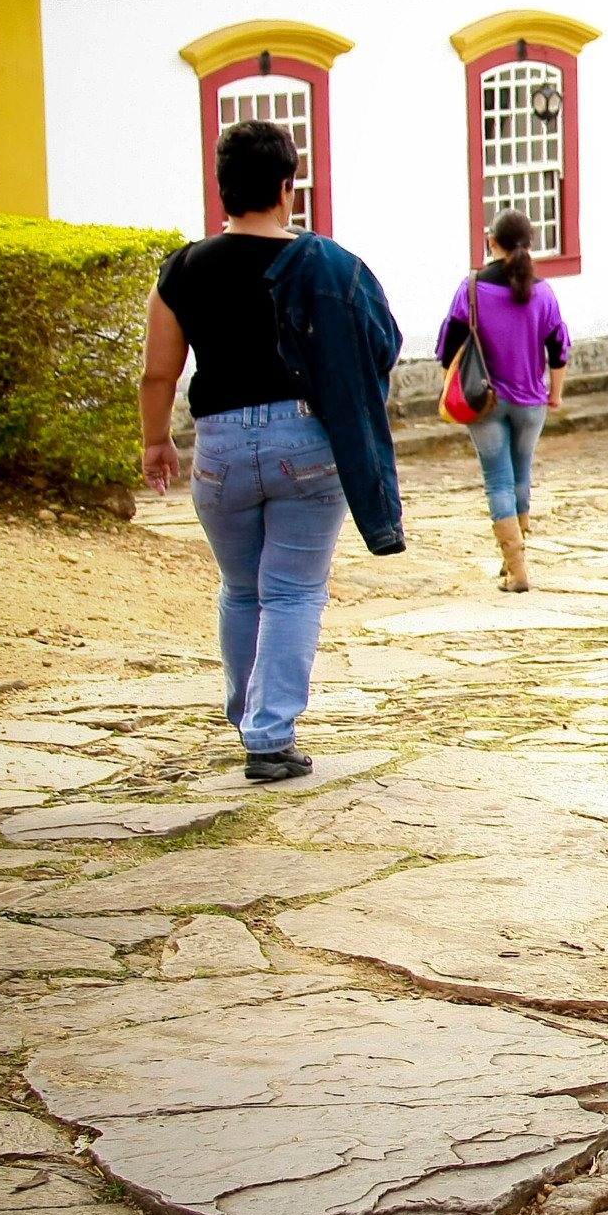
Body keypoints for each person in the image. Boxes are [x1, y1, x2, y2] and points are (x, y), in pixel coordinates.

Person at [141, 120, 404, 783]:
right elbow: (384, 341)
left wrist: (155, 442)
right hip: (305, 443)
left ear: (221, 188)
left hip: (218, 448)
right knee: (292, 591)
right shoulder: (328, 263)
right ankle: (269, 733)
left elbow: (158, 374)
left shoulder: (183, 269)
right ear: (289, 186)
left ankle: (247, 713)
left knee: (242, 587)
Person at [437, 210, 568, 591]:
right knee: (521, 473)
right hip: (531, 401)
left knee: (497, 478)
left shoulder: (472, 288)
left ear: (491, 241)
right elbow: (558, 348)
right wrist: (554, 394)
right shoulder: (544, 292)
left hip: (485, 399)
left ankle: (516, 566)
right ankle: (516, 558)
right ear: (530, 243)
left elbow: (448, 348)